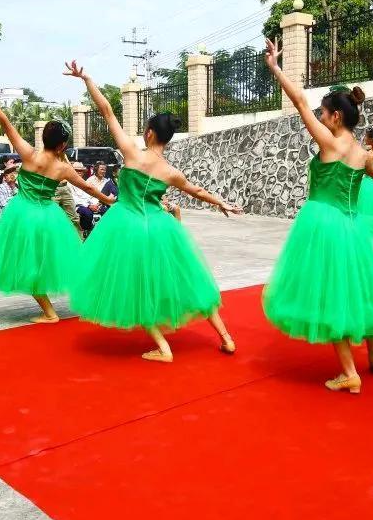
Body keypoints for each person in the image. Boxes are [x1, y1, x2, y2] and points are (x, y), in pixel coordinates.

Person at [65, 62, 241, 361]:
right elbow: (196, 191)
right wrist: (222, 202)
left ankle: (163, 347)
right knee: (190, 282)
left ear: (148, 134)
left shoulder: (132, 154)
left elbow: (107, 111)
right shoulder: (171, 171)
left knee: (137, 286)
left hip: (127, 225)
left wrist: (87, 80)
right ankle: (225, 337)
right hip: (160, 227)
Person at [261, 40, 373, 392]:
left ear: (336, 116)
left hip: (324, 224)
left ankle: (349, 373)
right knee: (361, 289)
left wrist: (274, 66)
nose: (320, 116)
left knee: (331, 295)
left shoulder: (329, 143)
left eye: (323, 113)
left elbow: (298, 101)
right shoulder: (362, 153)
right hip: (353, 226)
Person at [0, 74, 112, 322]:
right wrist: (110, 201)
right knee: (61, 262)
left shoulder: (28, 154)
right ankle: (94, 294)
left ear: (43, 139)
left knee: (28, 265)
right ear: (62, 146)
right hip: (48, 216)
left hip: (22, 215)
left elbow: (5, 121)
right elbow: (89, 189)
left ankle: (50, 312)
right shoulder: (63, 168)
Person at [69, 161, 100, 235]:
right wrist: (89, 206)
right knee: (87, 213)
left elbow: (91, 195)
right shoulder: (69, 183)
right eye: (77, 171)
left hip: (90, 204)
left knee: (106, 211)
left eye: (81, 171)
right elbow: (74, 199)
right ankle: (85, 232)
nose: (79, 172)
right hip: (77, 206)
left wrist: (96, 204)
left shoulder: (85, 183)